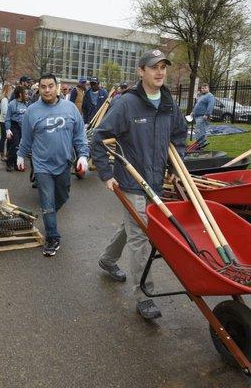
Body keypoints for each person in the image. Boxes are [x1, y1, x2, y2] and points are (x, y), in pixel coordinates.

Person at [91, 49, 187, 320]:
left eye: (163, 67)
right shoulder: (126, 104)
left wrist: (176, 166)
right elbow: (99, 139)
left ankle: (107, 260)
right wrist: (107, 175)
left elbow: (179, 134)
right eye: (154, 67)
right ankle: (144, 295)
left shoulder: (168, 103)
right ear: (141, 71)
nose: (160, 72)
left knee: (132, 225)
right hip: (132, 181)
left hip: (156, 181)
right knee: (140, 237)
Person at [17, 73, 89, 256]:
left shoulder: (70, 108)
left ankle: (50, 213)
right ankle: (52, 237)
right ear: (39, 88)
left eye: (50, 86)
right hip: (41, 166)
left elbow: (79, 135)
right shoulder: (32, 111)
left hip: (64, 163)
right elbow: (26, 138)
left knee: (62, 196)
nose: (47, 90)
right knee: (47, 203)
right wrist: (20, 155)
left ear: (57, 87)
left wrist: (82, 156)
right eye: (43, 87)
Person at [5, 85, 29, 171]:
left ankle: (17, 164)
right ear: (20, 94)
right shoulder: (12, 104)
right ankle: (9, 163)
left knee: (21, 146)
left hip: (23, 127)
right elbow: (7, 118)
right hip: (14, 126)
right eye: (26, 94)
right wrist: (8, 129)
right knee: (15, 146)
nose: (27, 96)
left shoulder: (26, 104)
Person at [0, 82, 12, 161]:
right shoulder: (4, 99)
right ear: (7, 90)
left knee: (5, 138)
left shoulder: (5, 98)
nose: (11, 91)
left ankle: (5, 153)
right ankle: (2, 155)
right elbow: (4, 112)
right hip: (4, 121)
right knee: (4, 138)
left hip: (3, 120)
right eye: (10, 89)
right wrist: (8, 119)